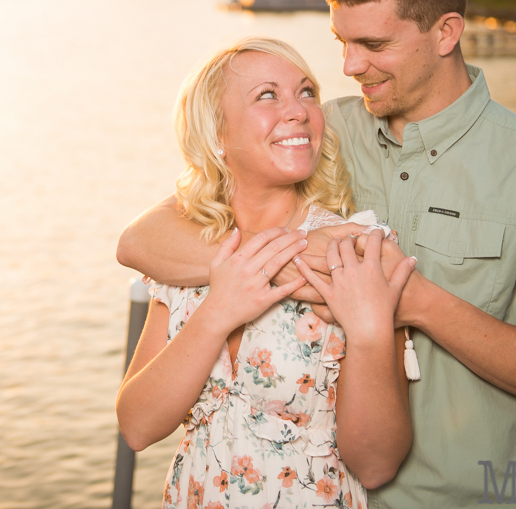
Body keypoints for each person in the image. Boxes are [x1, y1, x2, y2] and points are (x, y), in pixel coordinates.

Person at [116, 0, 516, 509]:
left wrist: (417, 304)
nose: (351, 67)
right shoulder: (322, 133)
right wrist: (285, 262)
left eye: (374, 46)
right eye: (342, 43)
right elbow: (142, 238)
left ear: (445, 33)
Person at [116, 37, 418, 509]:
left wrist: (369, 333)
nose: (298, 110)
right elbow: (137, 426)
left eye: (306, 92)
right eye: (267, 95)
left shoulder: (355, 252)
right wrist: (218, 311)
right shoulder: (184, 251)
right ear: (218, 134)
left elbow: (376, 463)